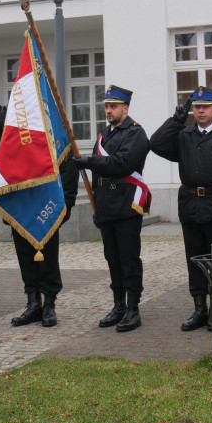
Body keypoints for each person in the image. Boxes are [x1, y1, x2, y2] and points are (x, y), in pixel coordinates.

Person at [149, 86, 212, 331]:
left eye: (205, 106)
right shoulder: (184, 135)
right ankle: (199, 309)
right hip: (191, 206)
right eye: (196, 107)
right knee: (194, 260)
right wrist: (176, 120)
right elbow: (156, 144)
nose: (200, 111)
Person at [0, 111, 79, 328]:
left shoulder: (57, 138)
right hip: (21, 212)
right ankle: (33, 303)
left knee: (48, 261)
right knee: (26, 259)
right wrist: (9, 113)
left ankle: (49, 305)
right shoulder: (16, 138)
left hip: (48, 211)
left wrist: (65, 209)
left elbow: (69, 174)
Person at [74, 85, 151, 332]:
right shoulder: (104, 134)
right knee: (112, 259)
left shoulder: (135, 133)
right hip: (106, 204)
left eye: (113, 106)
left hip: (126, 205)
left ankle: (133, 309)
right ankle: (118, 305)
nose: (108, 110)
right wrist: (97, 205)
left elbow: (121, 164)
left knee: (129, 259)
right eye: (106, 106)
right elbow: (100, 173)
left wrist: (88, 160)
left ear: (125, 108)